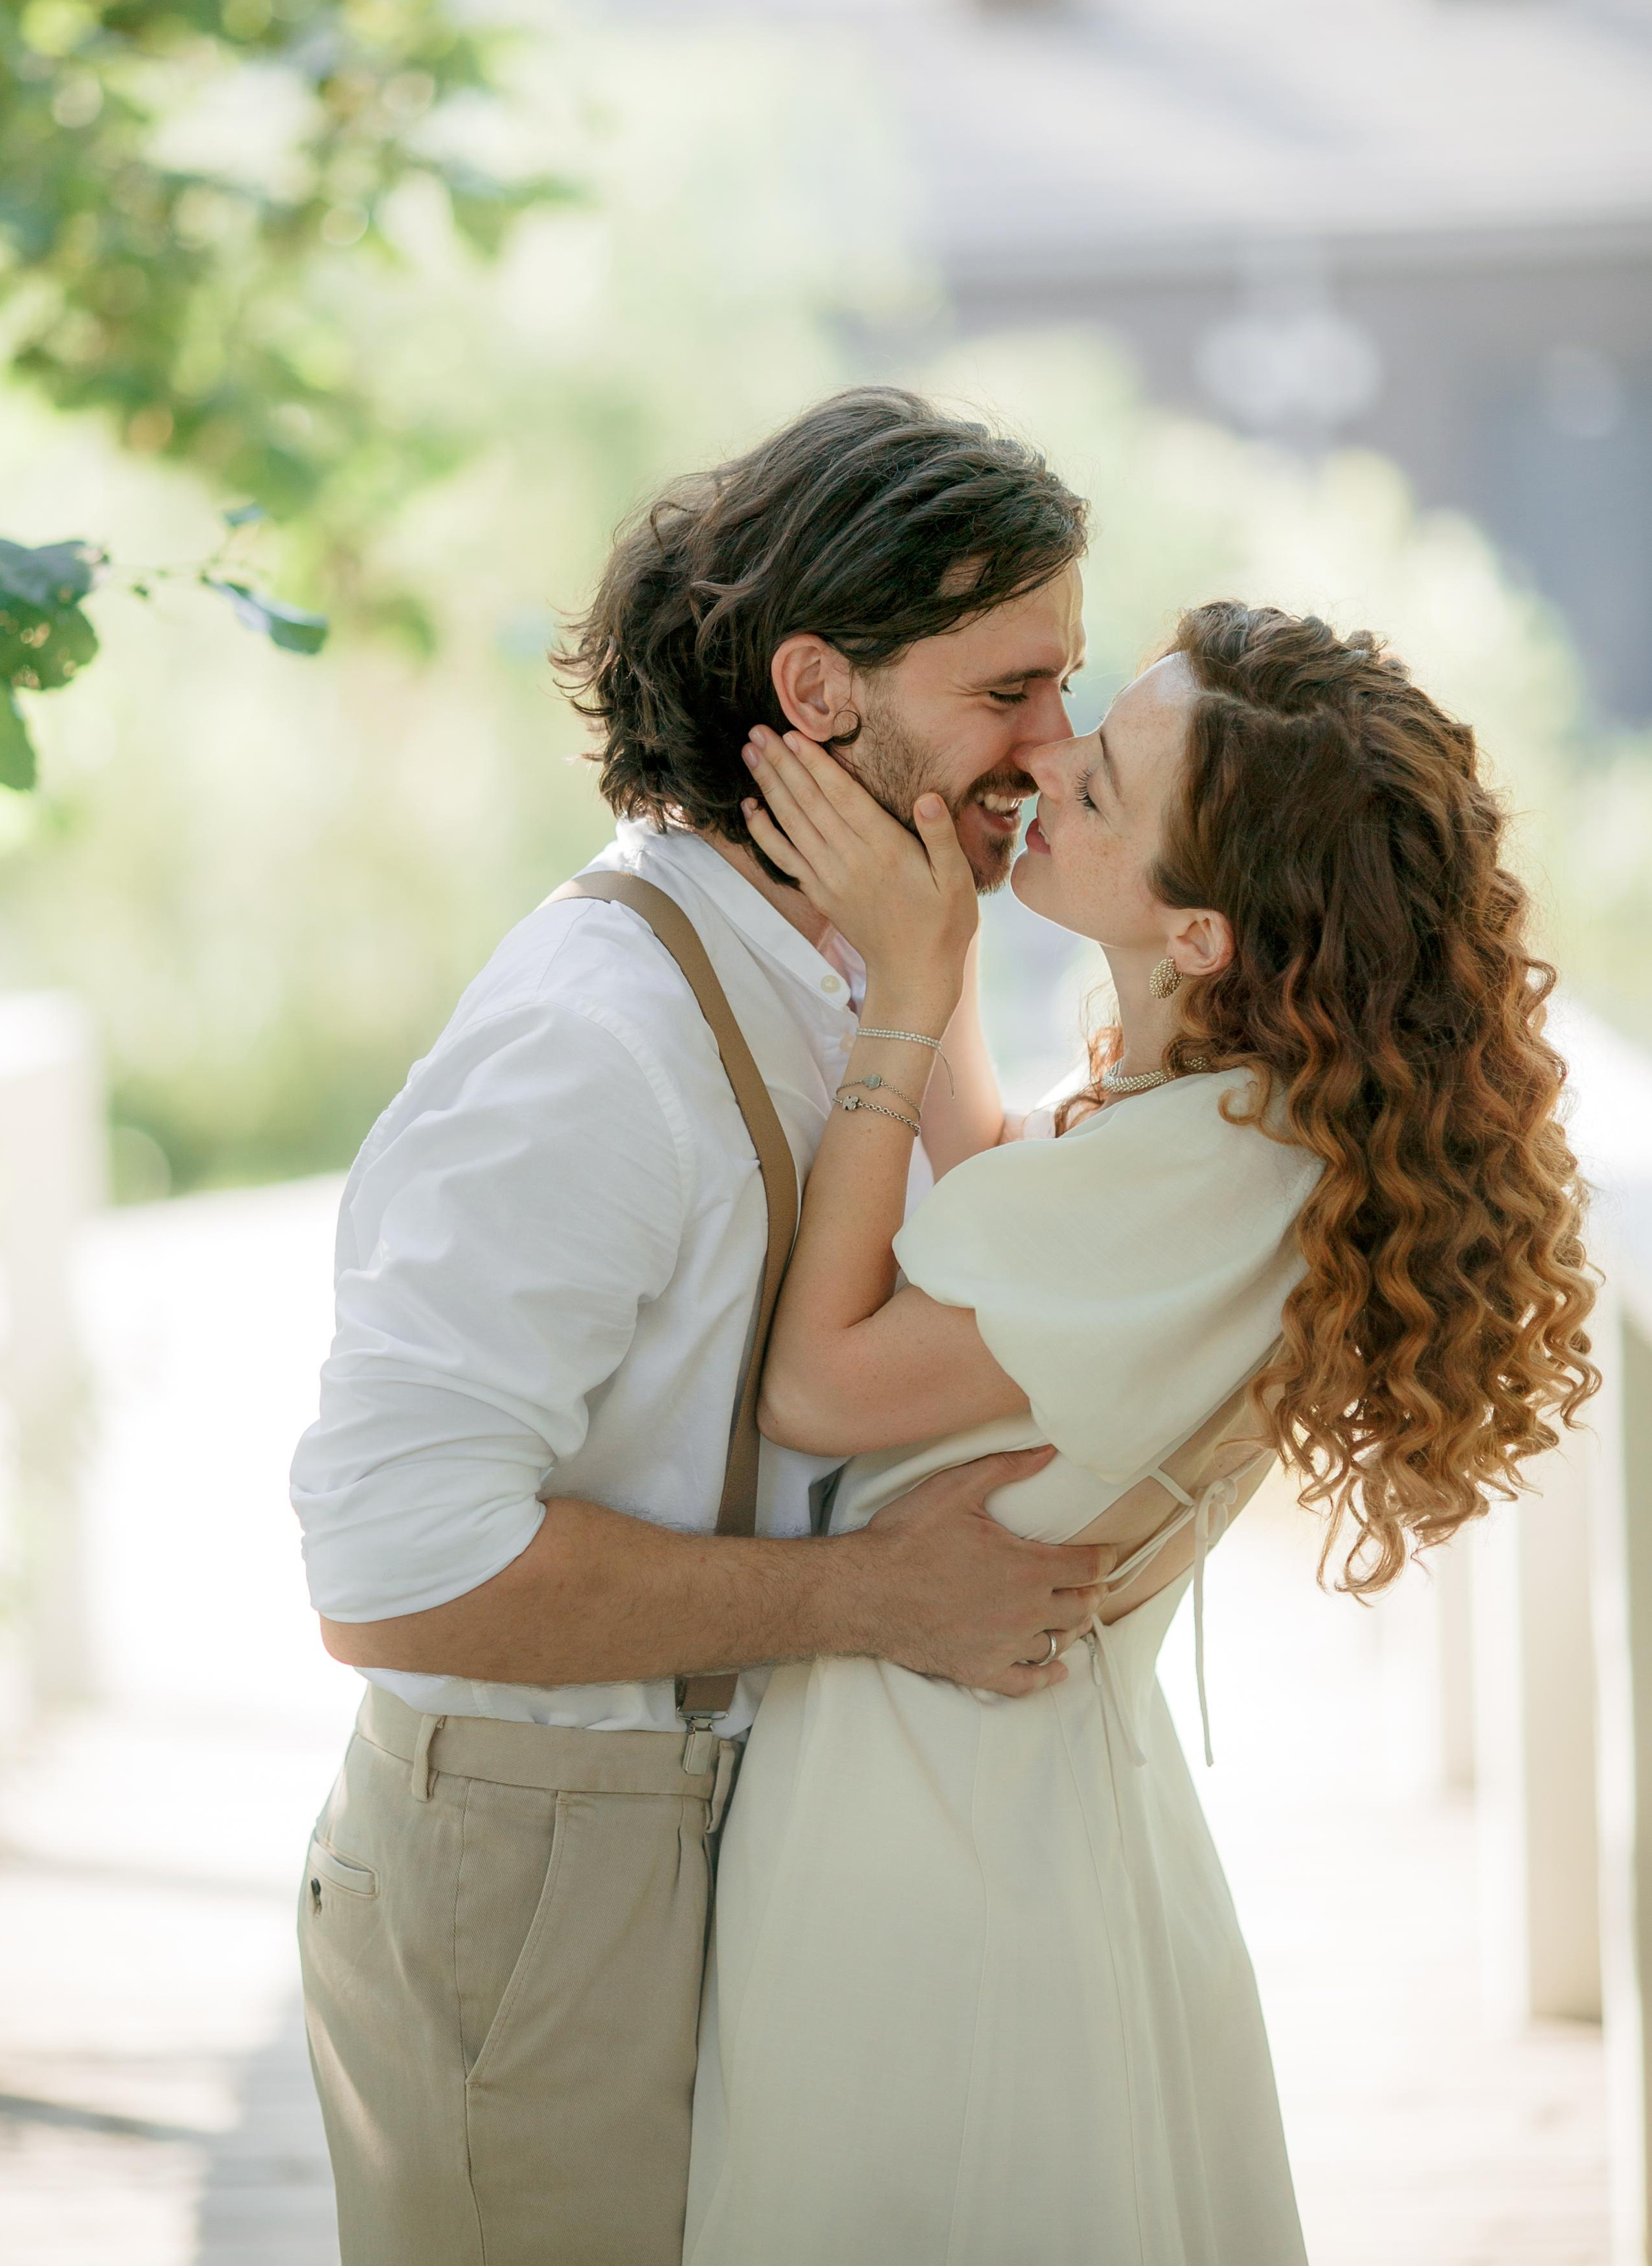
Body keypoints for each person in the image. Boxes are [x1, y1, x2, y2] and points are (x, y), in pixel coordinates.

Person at [288, 385, 1120, 2266]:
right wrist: (873, 1599)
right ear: (817, 691)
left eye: (1066, 688)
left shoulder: (844, 982)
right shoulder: (599, 1039)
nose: (1054, 747)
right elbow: (391, 1569)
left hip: (731, 1840)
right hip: (546, 1868)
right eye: (1010, 689)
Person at [686, 598, 1598, 2265]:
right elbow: (998, 1196)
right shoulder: (1225, 1126)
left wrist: (901, 996)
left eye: (1097, 782)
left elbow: (818, 1388)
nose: (1043, 758)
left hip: (938, 1834)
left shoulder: (1200, 1172)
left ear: (1197, 935)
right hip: (1013, 1805)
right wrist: (929, 931)